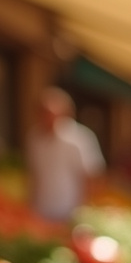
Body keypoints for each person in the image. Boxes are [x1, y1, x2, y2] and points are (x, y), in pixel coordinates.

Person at [24, 87, 106, 222]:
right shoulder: (33, 138)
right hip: (40, 211)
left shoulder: (80, 138)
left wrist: (85, 211)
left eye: (50, 113)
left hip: (70, 213)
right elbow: (33, 173)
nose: (46, 117)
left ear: (65, 113)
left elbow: (93, 176)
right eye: (42, 112)